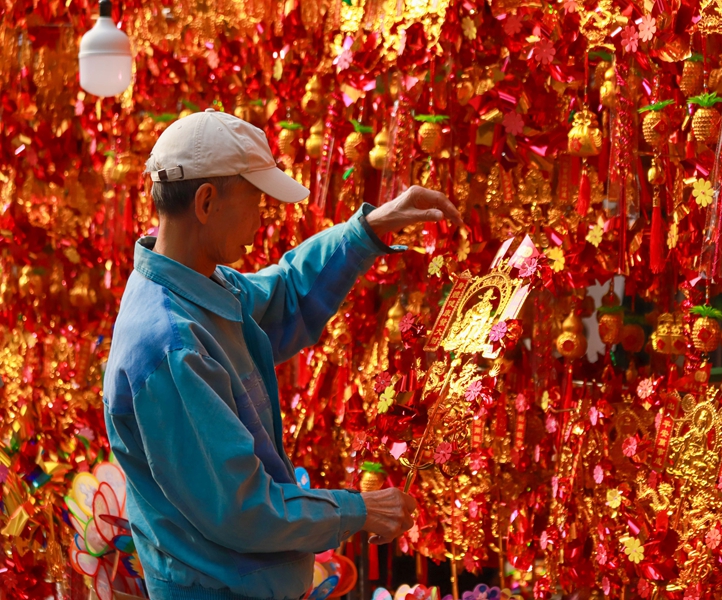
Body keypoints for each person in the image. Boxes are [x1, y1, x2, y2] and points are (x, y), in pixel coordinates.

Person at [103, 109, 463, 600]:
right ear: (206, 202)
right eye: (256, 203)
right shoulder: (171, 345)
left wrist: (368, 231)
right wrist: (355, 511)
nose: (262, 219)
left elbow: (285, 294)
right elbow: (241, 508)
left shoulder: (202, 288)